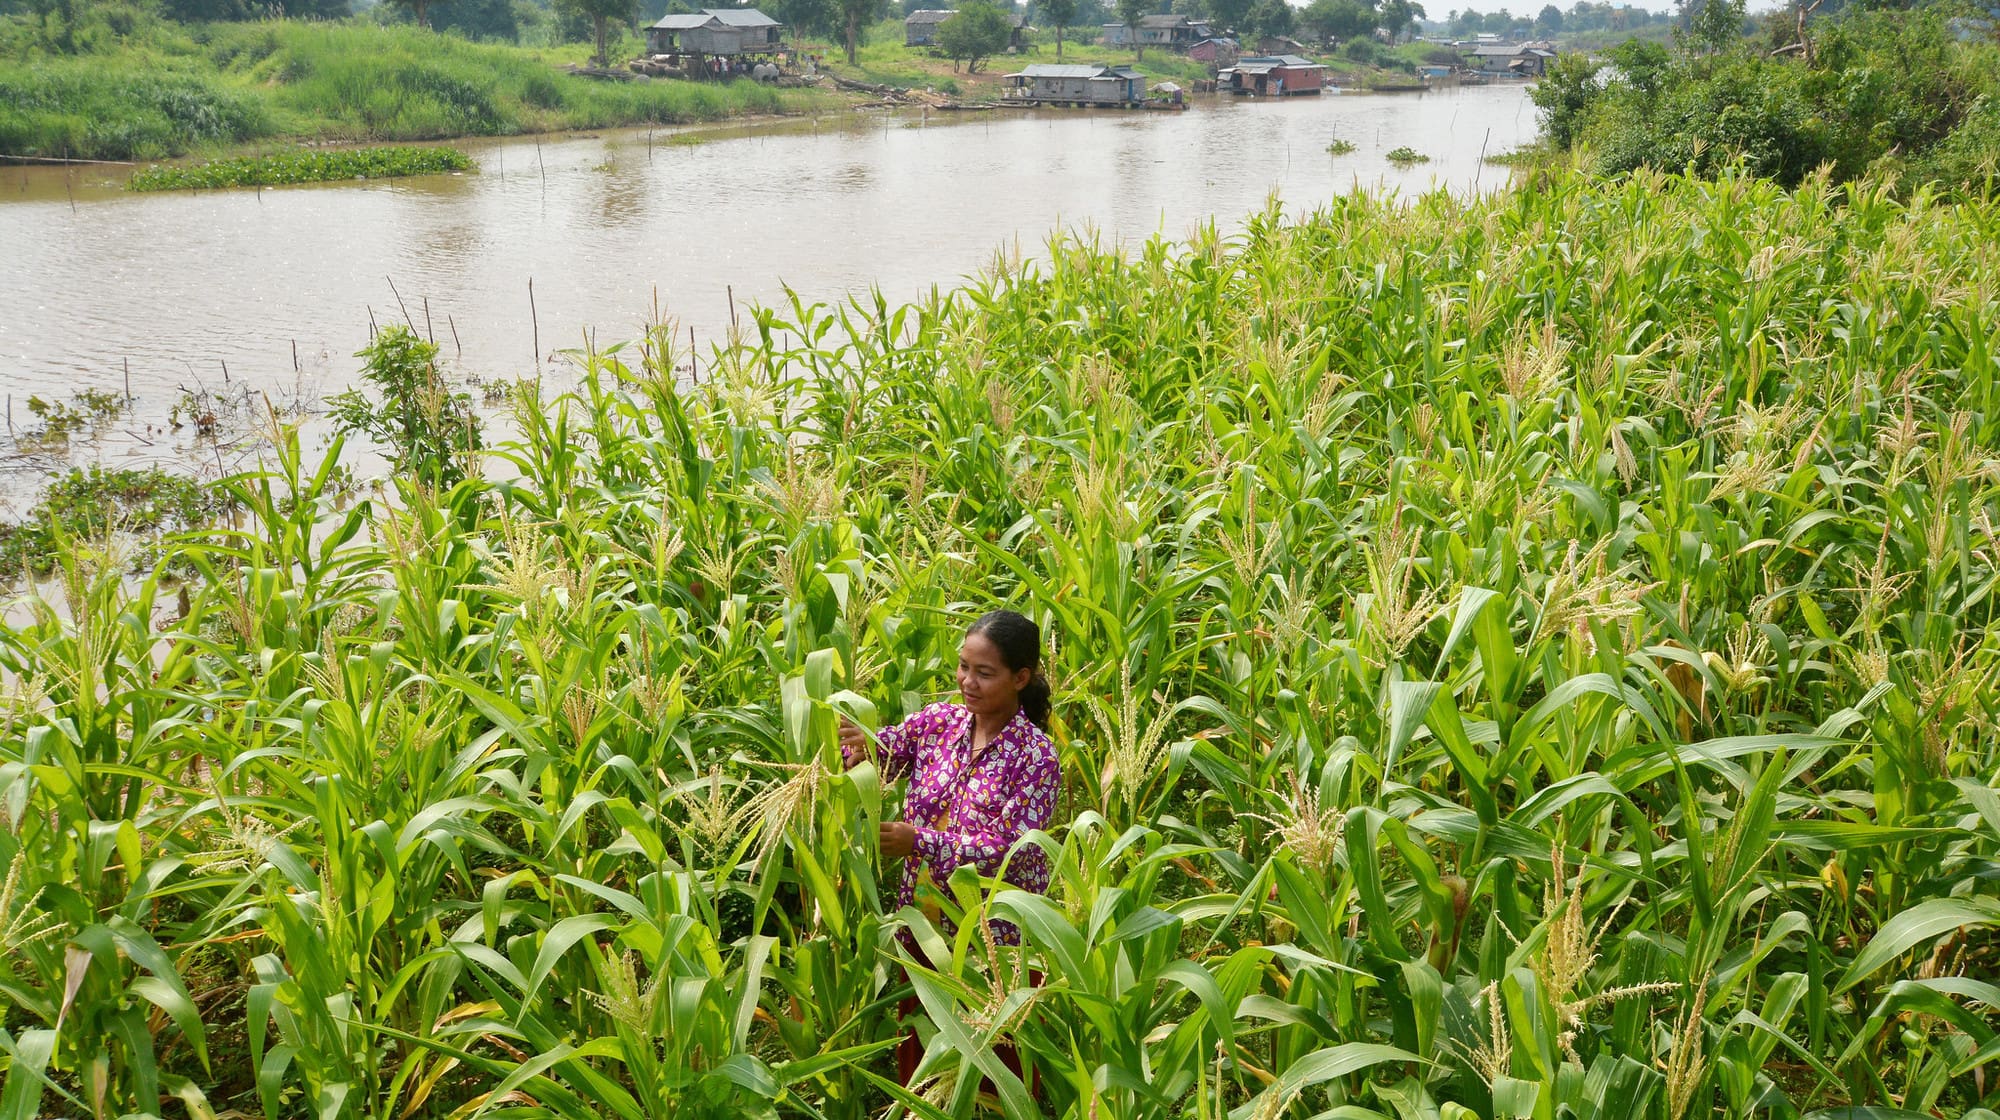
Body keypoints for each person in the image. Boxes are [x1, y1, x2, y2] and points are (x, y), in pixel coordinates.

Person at [838, 608, 1060, 1088]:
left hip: (993, 938)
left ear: (1020, 678)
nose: (967, 682)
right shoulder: (940, 722)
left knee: (995, 1070)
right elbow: (887, 752)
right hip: (924, 924)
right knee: (922, 1056)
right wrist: (859, 749)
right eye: (963, 667)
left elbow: (1013, 850)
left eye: (984, 673)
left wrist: (920, 841)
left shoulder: (1035, 757)